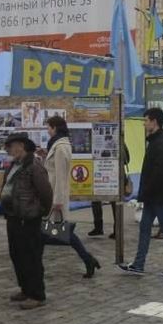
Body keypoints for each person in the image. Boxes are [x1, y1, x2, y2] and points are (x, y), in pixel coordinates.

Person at [118, 108, 163, 277]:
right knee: (144, 228)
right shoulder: (155, 141)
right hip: (152, 196)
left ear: (154, 122)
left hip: (158, 197)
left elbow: (160, 173)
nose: (144, 124)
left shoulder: (160, 143)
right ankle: (138, 264)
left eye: (146, 120)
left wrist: (146, 192)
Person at [42, 116, 100, 279]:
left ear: (54, 127)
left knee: (54, 233)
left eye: (49, 127)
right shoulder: (57, 145)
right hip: (52, 193)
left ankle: (87, 259)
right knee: (55, 232)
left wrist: (58, 201)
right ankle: (88, 259)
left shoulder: (60, 147)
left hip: (55, 195)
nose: (47, 130)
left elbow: (61, 176)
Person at [0, 133, 53, 310]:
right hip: (13, 217)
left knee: (31, 257)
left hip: (28, 219)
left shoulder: (34, 166)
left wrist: (40, 211)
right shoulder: (14, 165)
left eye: (11, 146)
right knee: (17, 255)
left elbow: (46, 193)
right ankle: (25, 288)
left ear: (21, 146)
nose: (9, 149)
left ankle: (37, 294)